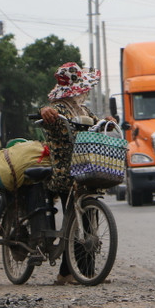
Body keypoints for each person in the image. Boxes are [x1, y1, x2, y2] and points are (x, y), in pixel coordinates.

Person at [39, 62, 101, 285]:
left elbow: (96, 124)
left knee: (89, 221)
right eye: (83, 89)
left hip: (87, 168)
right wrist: (45, 112)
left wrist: (109, 122)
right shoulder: (59, 109)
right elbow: (46, 116)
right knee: (73, 222)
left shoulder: (83, 110)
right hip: (67, 171)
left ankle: (86, 272)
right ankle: (70, 272)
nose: (85, 93)